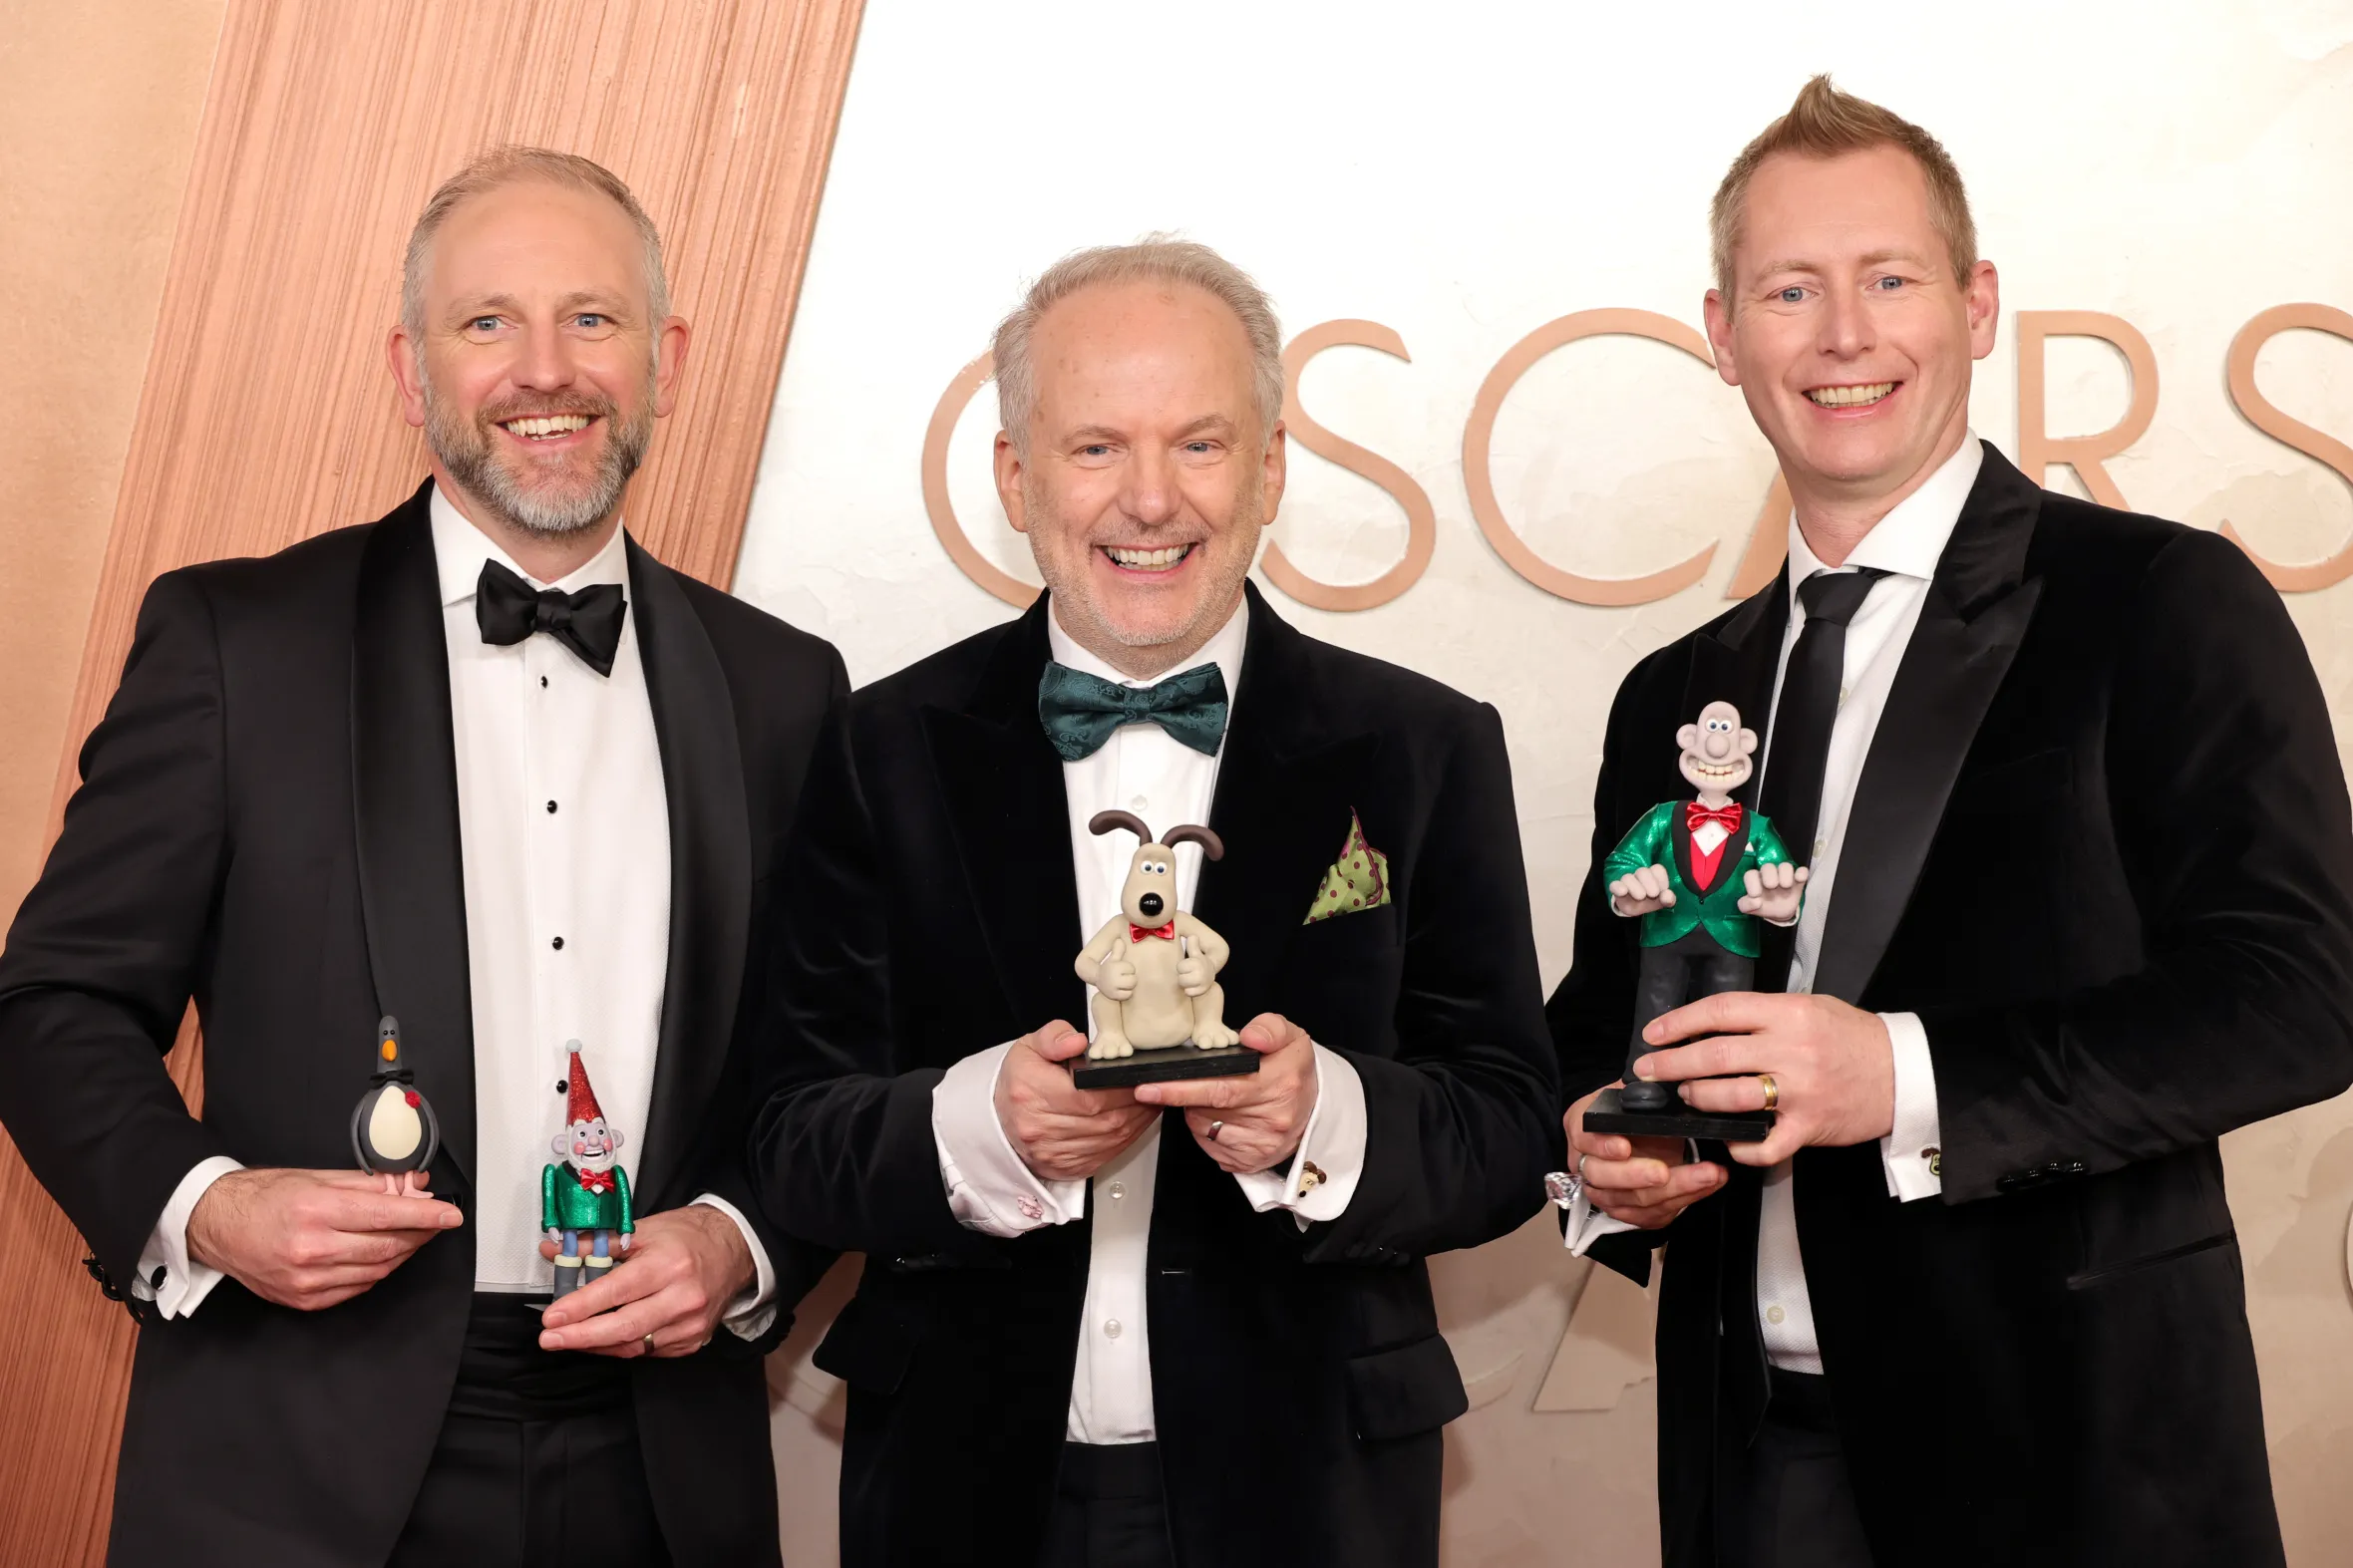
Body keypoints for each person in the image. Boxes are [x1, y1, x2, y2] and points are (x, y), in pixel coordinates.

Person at [0, 147, 844, 1567]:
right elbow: (53, 1005)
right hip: (293, 1456)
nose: (544, 371)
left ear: (666, 358)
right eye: (487, 324)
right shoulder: (234, 643)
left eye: (593, 319)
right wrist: (209, 1208)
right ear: (412, 370)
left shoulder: (787, 687)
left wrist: (746, 1242)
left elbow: (824, 1063)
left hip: (665, 1471)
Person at [1549, 77, 2353, 1568]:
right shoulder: (1678, 690)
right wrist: (1598, 1156)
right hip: (1753, 1466)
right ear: (1724, 337)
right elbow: (1606, 1023)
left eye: (1889, 279)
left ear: (1976, 306)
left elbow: (2303, 997)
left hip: (2077, 1473)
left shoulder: (2163, 607)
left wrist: (1902, 1075)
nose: (1844, 334)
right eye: (1792, 289)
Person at [749, 238, 1556, 1568]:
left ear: (1272, 467)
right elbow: (791, 1128)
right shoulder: (879, 746)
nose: (1148, 500)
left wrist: (1324, 1119)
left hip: (1314, 1495)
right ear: (1015, 476)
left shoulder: (1422, 747)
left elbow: (1508, 1115)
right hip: (959, 1490)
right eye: (1093, 449)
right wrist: (982, 1128)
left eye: (1198, 444)